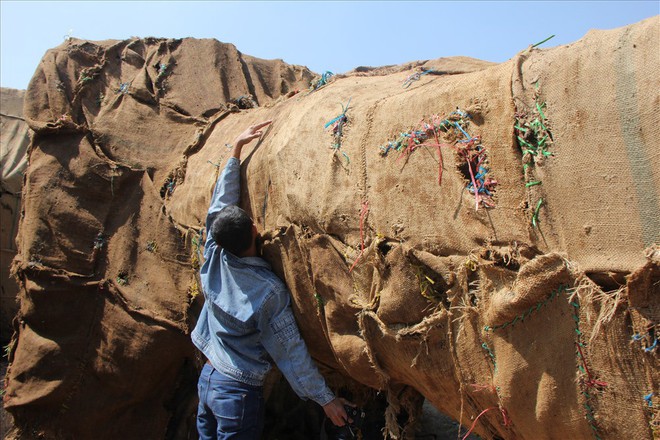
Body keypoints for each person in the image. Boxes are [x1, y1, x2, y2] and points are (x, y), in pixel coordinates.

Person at [192, 120, 350, 439]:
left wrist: (236, 148)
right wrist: (326, 400)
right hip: (235, 394)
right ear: (255, 231)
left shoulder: (213, 251)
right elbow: (290, 352)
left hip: (208, 378)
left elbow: (220, 203)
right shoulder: (268, 292)